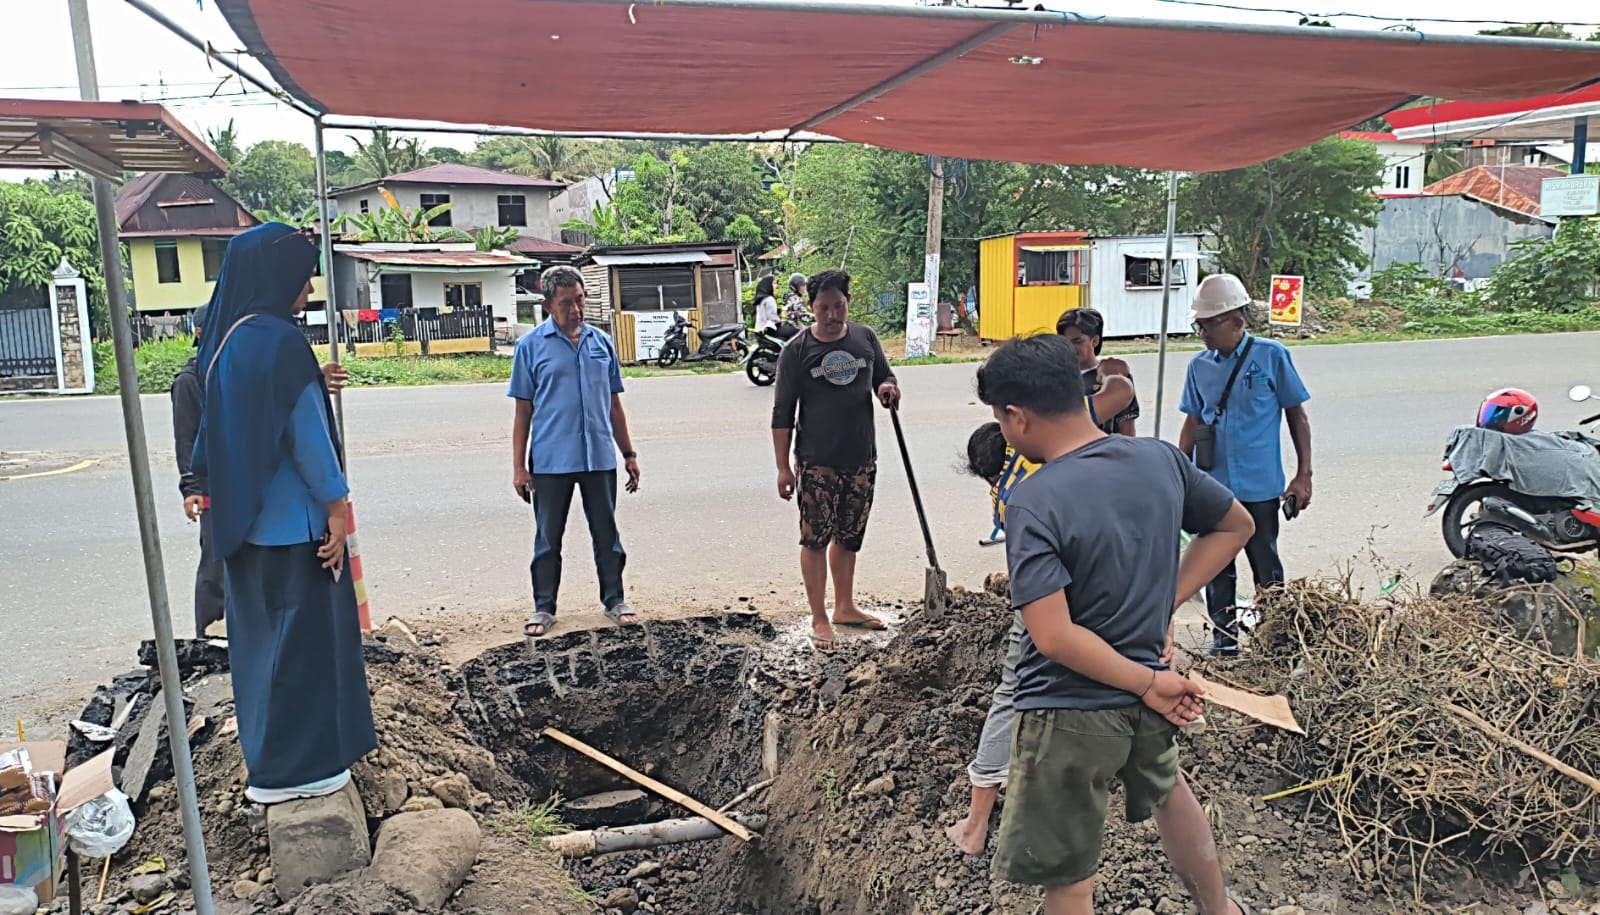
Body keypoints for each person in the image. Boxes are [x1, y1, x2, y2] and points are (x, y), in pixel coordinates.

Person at [976, 334, 1257, 915]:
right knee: (1169, 792)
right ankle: (1219, 909)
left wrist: (1145, 682)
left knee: (1070, 874)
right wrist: (1163, 605)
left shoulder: (1034, 500)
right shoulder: (1158, 459)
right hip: (1148, 687)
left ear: (1017, 417)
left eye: (1000, 421)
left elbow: (1052, 636)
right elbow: (1235, 527)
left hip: (1069, 710)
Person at [192, 222, 375, 805]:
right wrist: (340, 511)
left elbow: (218, 432)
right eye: (302, 275)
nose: (308, 286)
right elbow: (308, 440)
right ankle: (309, 771)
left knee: (260, 652)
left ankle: (267, 768)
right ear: (278, 277)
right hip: (298, 530)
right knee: (307, 651)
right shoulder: (281, 341)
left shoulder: (225, 338)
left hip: (243, 531)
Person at [1177, 274, 1312, 656]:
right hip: (1213, 486)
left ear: (1237, 320)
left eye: (1208, 324)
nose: (1202, 332)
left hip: (1259, 485)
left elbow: (1296, 416)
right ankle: (1226, 641)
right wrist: (1178, 474)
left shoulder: (1271, 357)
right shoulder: (1198, 367)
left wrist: (1303, 475)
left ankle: (1278, 641)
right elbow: (1193, 422)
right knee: (1216, 567)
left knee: (1265, 562)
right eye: (1198, 325)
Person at [771, 269, 900, 651]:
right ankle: (819, 616)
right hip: (816, 462)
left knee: (849, 536)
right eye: (823, 307)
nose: (832, 315)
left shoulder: (865, 338)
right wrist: (782, 466)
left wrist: (888, 388)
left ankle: (844, 607)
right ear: (811, 307)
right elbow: (782, 413)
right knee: (815, 539)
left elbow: (883, 376)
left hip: (861, 457)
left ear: (848, 303)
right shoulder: (795, 351)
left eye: (838, 306)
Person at [510, 265, 641, 638]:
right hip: (551, 461)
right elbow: (523, 413)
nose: (576, 310)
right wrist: (519, 468)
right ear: (548, 304)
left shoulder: (602, 343)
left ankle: (615, 600)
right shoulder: (530, 348)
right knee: (548, 537)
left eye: (580, 300)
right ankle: (544, 607)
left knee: (607, 533)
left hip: (598, 457)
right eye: (566, 303)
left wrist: (628, 454)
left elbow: (614, 405)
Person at [947, 422, 1036, 855]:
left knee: (1014, 689)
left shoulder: (1012, 495)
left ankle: (975, 825)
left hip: (1045, 600)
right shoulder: (1058, 458)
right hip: (1115, 593)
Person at [172, 304, 225, 639]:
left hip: (242, 483)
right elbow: (185, 438)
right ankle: (207, 636)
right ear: (201, 333)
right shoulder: (189, 382)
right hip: (211, 488)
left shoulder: (228, 372)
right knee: (215, 567)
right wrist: (191, 488)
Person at [1056, 307, 1139, 436]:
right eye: (1064, 342)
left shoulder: (1115, 375)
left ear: (1095, 341)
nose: (1070, 348)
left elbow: (1127, 430)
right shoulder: (1053, 376)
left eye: (1077, 341)